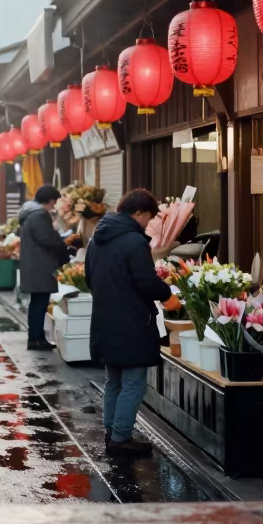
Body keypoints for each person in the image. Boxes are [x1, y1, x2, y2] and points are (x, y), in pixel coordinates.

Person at [86, 188, 172, 458]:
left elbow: (90, 277)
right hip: (132, 321)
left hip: (105, 317)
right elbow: (146, 282)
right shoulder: (135, 242)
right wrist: (168, 295)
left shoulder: (97, 238)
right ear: (138, 213)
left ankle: (112, 432)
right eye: (149, 217)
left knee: (114, 380)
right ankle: (121, 438)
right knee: (134, 381)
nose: (149, 223)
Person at [18, 185, 71, 351]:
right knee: (39, 303)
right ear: (48, 200)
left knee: (37, 303)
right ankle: (36, 339)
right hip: (40, 265)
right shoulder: (39, 215)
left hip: (33, 264)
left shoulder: (29, 213)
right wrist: (64, 242)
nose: (54, 205)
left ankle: (36, 337)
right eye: (54, 201)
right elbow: (47, 239)